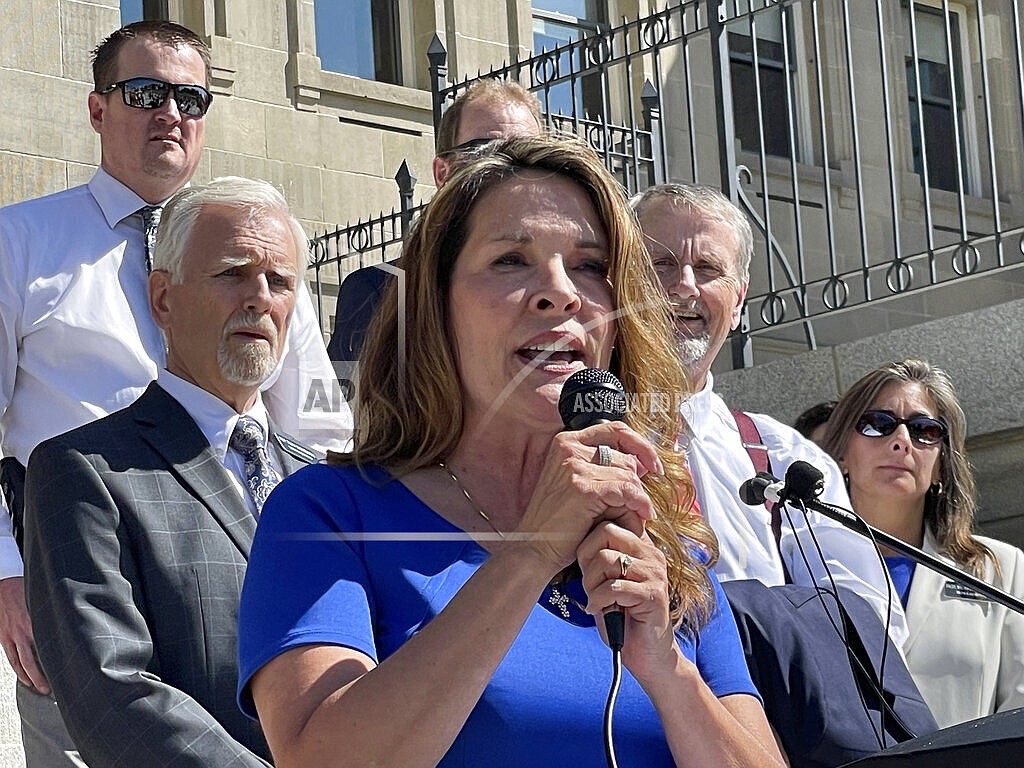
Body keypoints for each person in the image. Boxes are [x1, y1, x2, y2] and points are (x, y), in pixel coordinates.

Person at [237, 136, 785, 767]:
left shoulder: (665, 547)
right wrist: (529, 554)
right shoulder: (330, 514)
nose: (561, 293)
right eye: (510, 261)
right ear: (436, 308)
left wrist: (667, 669)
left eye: (589, 265)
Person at [0, 20, 350, 765]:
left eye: (190, 97)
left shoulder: (256, 250)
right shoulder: (18, 242)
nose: (172, 113)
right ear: (98, 109)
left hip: (242, 571)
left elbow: (316, 425)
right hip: (79, 580)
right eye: (146, 91)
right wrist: (6, 573)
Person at [21, 176, 321, 766]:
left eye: (280, 281)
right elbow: (111, 692)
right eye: (233, 272)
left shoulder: (320, 484)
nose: (260, 296)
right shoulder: (82, 473)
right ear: (163, 299)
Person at [630, 183, 907, 646]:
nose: (684, 286)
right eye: (660, 263)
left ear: (738, 302)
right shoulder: (568, 437)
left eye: (707, 269)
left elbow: (874, 628)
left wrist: (746, 620)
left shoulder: (786, 459)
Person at [820, 358, 1024, 727]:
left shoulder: (1002, 568)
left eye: (924, 431)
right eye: (877, 424)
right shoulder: (799, 562)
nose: (901, 441)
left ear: (942, 466)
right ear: (841, 455)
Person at [326, 78, 543, 363]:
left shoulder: (570, 292)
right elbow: (331, 403)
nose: (509, 170)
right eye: (486, 152)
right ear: (443, 173)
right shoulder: (379, 292)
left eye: (529, 155)